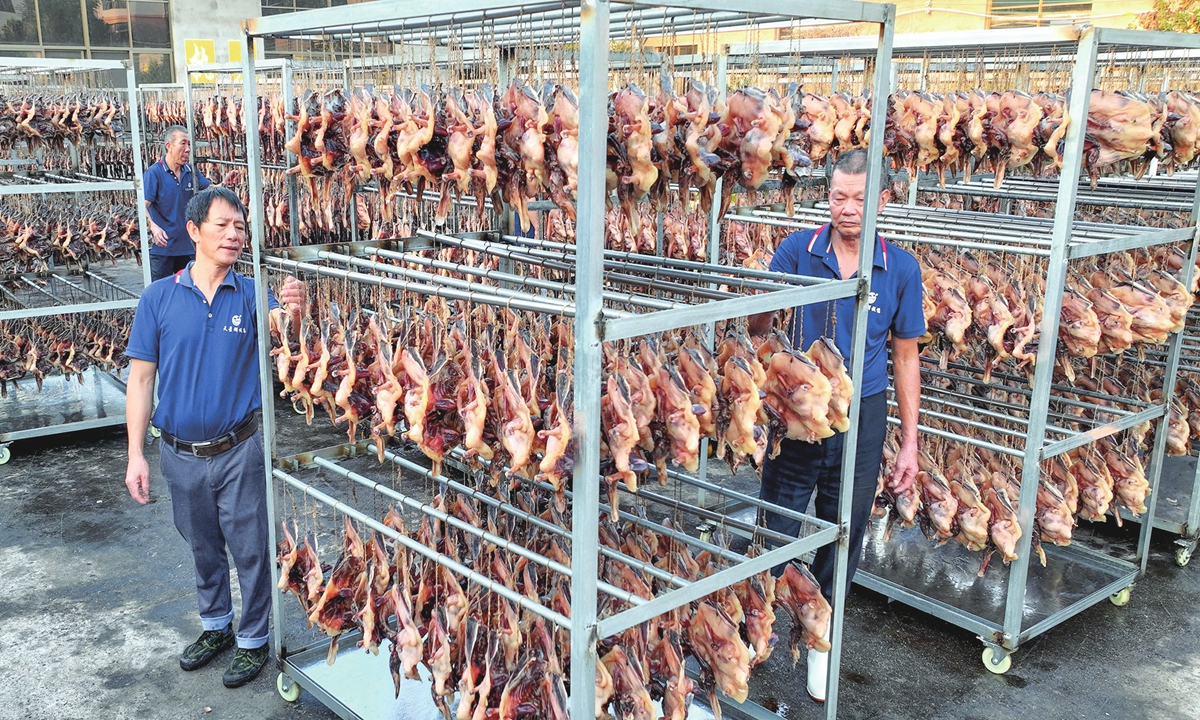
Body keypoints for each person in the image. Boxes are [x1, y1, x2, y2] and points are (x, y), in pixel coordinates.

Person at [747, 149, 923, 703]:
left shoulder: (901, 269)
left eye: (859, 198)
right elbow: (759, 326)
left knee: (843, 532)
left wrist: (910, 443)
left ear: (883, 201)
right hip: (798, 409)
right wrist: (766, 306)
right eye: (838, 197)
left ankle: (820, 640)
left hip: (863, 414)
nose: (847, 209)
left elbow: (906, 358)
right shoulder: (798, 250)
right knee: (778, 523)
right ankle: (753, 627)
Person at [123, 187, 305, 688]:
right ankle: (215, 626)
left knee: (250, 548)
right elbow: (141, 380)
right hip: (179, 452)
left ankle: (252, 640)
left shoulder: (251, 293)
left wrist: (294, 313)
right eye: (222, 225)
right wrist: (135, 454)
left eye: (240, 227)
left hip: (238, 448)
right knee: (202, 546)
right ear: (194, 231)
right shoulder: (158, 297)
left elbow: (285, 339)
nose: (234, 234)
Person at [144, 125, 211, 282]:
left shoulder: (191, 171)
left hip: (188, 247)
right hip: (163, 250)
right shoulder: (154, 173)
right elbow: (142, 206)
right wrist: (153, 227)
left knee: (189, 292)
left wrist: (225, 184)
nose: (188, 149)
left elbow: (209, 190)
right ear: (169, 146)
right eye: (183, 143)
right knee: (162, 296)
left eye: (189, 144)